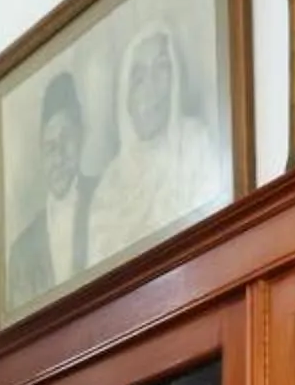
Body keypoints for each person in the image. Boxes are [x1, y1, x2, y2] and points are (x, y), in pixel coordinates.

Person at [86, 25, 228, 263]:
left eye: (161, 69)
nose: (150, 89)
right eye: (138, 77)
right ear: (125, 96)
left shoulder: (196, 145)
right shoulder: (109, 187)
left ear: (175, 79)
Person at [5, 72, 97, 313]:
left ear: (82, 135)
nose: (58, 156)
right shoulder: (21, 253)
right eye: (49, 147)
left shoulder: (108, 197)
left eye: (66, 138)